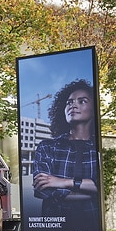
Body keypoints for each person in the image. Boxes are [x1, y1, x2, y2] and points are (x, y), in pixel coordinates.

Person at [32, 79, 99, 221]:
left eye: (82, 101)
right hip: (56, 230)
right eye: (69, 102)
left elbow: (104, 184)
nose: (73, 105)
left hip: (91, 229)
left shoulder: (98, 148)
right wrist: (92, 190)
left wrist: (63, 182)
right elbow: (43, 190)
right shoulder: (47, 147)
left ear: (94, 109)